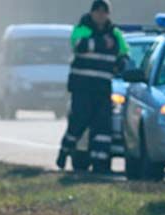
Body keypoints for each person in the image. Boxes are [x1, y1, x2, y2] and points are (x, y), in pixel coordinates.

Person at [56, 0, 129, 174]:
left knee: (103, 129)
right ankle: (64, 151)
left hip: (102, 89)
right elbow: (79, 45)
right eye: (98, 11)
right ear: (92, 13)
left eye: (104, 12)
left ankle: (100, 165)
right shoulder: (82, 28)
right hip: (82, 89)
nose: (101, 15)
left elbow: (124, 53)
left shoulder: (115, 33)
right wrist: (103, 43)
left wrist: (120, 62)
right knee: (78, 124)